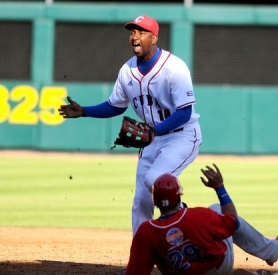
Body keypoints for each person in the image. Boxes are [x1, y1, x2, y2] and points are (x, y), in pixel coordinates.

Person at [58, 15, 202, 235]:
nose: (135, 36)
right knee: (142, 199)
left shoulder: (174, 68)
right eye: (132, 32)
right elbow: (116, 105)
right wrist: (85, 111)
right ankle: (141, 255)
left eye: (141, 32)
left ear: (154, 38)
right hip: (152, 137)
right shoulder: (127, 70)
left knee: (155, 180)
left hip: (181, 136)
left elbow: (185, 112)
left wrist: (155, 130)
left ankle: (187, 221)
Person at [111, 163, 278, 275]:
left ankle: (270, 249)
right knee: (217, 208)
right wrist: (220, 187)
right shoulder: (199, 216)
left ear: (155, 201)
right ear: (179, 196)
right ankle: (270, 250)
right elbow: (232, 222)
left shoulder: (146, 231)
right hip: (217, 270)